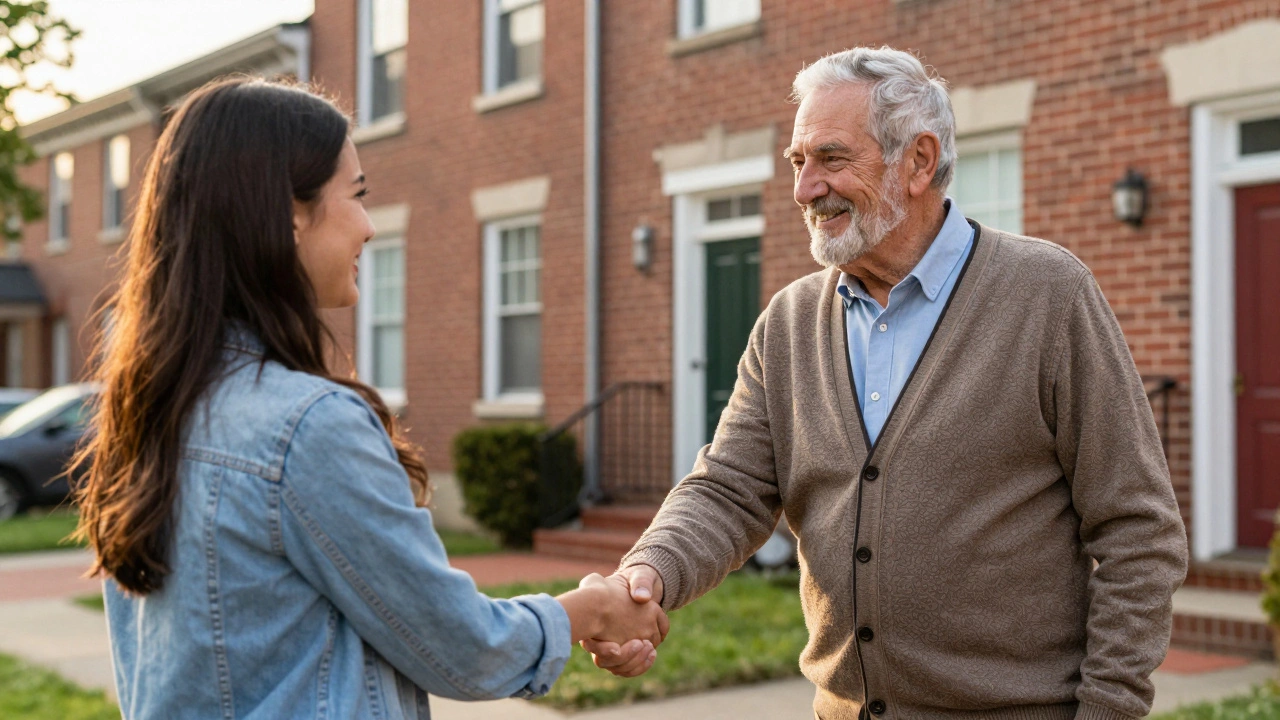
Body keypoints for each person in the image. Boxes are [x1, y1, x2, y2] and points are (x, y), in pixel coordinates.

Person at [586, 46, 1188, 719]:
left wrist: (1109, 708)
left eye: (832, 159)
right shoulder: (786, 325)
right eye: (797, 162)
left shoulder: (1048, 296)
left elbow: (1138, 530)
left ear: (919, 163)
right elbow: (729, 489)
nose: (804, 188)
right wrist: (646, 579)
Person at [72, 77, 666, 720]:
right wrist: (591, 610)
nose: (369, 226)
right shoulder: (304, 426)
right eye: (355, 195)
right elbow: (463, 646)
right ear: (288, 212)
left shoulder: (149, 410)